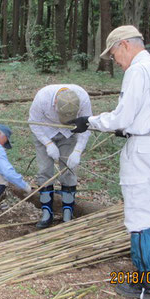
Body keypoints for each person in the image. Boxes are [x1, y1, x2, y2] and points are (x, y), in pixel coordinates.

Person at [69, 25, 150, 299]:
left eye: (113, 55)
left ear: (124, 45)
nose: (116, 62)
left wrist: (90, 122)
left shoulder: (137, 71)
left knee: (140, 217)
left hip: (144, 150)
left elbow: (122, 117)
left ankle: (148, 286)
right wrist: (128, 127)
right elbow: (149, 111)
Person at [29, 85, 92, 227]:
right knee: (45, 171)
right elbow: (33, 123)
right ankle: (47, 213)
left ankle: (67, 213)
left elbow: (87, 127)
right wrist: (48, 143)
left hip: (69, 134)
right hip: (44, 131)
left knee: (68, 171)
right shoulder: (42, 98)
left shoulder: (83, 98)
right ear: (55, 103)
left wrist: (77, 151)